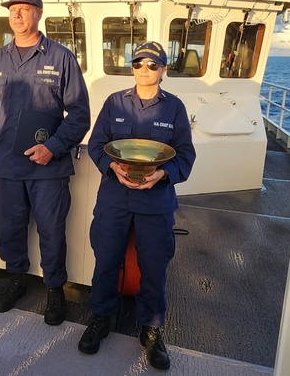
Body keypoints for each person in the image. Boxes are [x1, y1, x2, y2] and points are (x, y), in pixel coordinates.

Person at [77, 41, 196, 370]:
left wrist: (161, 174)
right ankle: (101, 317)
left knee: (154, 266)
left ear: (164, 71)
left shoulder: (174, 108)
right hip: (114, 198)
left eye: (152, 65)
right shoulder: (115, 102)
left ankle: (153, 328)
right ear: (132, 68)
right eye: (139, 64)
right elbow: (97, 144)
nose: (145, 70)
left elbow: (185, 157)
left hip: (156, 201)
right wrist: (112, 167)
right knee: (106, 261)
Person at [0, 0, 90, 325]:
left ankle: (54, 289)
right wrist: (7, 140)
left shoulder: (61, 57)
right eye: (12, 8)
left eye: (24, 8)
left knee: (51, 230)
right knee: (10, 229)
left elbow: (80, 114)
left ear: (39, 13)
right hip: (6, 164)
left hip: (48, 165)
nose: (17, 14)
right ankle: (16, 279)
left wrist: (53, 147)